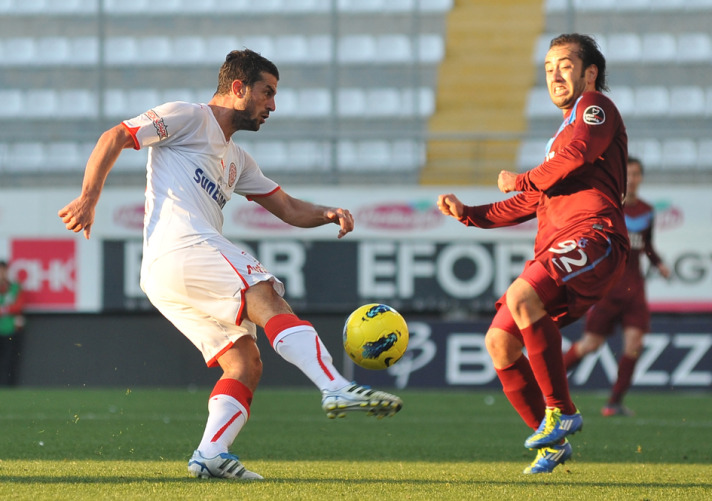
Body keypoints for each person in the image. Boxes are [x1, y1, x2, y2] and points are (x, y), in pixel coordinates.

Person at [58, 49, 402, 480]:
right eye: (267, 92)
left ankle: (211, 453)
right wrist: (89, 199)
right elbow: (115, 137)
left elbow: (288, 208)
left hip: (163, 272)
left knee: (244, 361)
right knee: (264, 294)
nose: (272, 105)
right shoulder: (186, 116)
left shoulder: (237, 160)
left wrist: (327, 213)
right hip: (184, 246)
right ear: (238, 88)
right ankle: (335, 386)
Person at [437, 33, 629, 474]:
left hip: (594, 235)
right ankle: (552, 444)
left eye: (565, 64)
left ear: (590, 72)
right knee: (499, 342)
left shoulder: (594, 108)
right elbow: (530, 202)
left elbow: (576, 158)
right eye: (548, 68)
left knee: (523, 298)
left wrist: (521, 178)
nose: (555, 74)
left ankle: (562, 411)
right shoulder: (562, 133)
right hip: (561, 242)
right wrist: (470, 213)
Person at [563, 156, 670, 417]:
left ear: (641, 178)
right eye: (628, 174)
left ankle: (614, 403)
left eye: (636, 174)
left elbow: (646, 244)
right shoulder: (608, 207)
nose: (632, 179)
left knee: (635, 344)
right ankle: (547, 385)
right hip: (608, 289)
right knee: (591, 345)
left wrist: (658, 263)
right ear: (621, 178)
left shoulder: (646, 210)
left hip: (634, 290)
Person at [0, 260, 25, 386]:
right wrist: (8, 309)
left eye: (3, 271)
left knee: (8, 361)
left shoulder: (14, 287)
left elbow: (18, 306)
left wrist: (3, 309)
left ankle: (7, 388)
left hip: (10, 329)